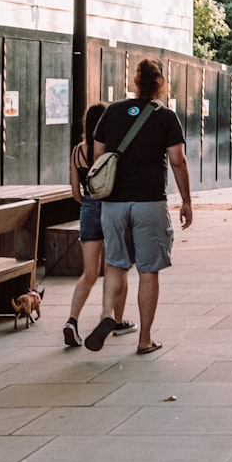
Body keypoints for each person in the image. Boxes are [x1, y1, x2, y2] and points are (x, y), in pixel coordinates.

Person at [84, 57, 193, 355]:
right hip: (149, 202)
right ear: (161, 84)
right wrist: (186, 201)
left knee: (116, 264)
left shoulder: (113, 112)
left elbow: (98, 156)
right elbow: (177, 161)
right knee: (148, 271)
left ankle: (108, 314)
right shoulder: (166, 117)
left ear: (134, 81)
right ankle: (144, 339)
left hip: (114, 203)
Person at [62, 102, 135, 347]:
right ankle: (118, 320)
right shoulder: (111, 149)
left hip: (88, 208)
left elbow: (75, 191)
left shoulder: (77, 152)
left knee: (89, 273)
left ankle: (72, 320)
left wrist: (88, 204)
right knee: (118, 267)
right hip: (112, 207)